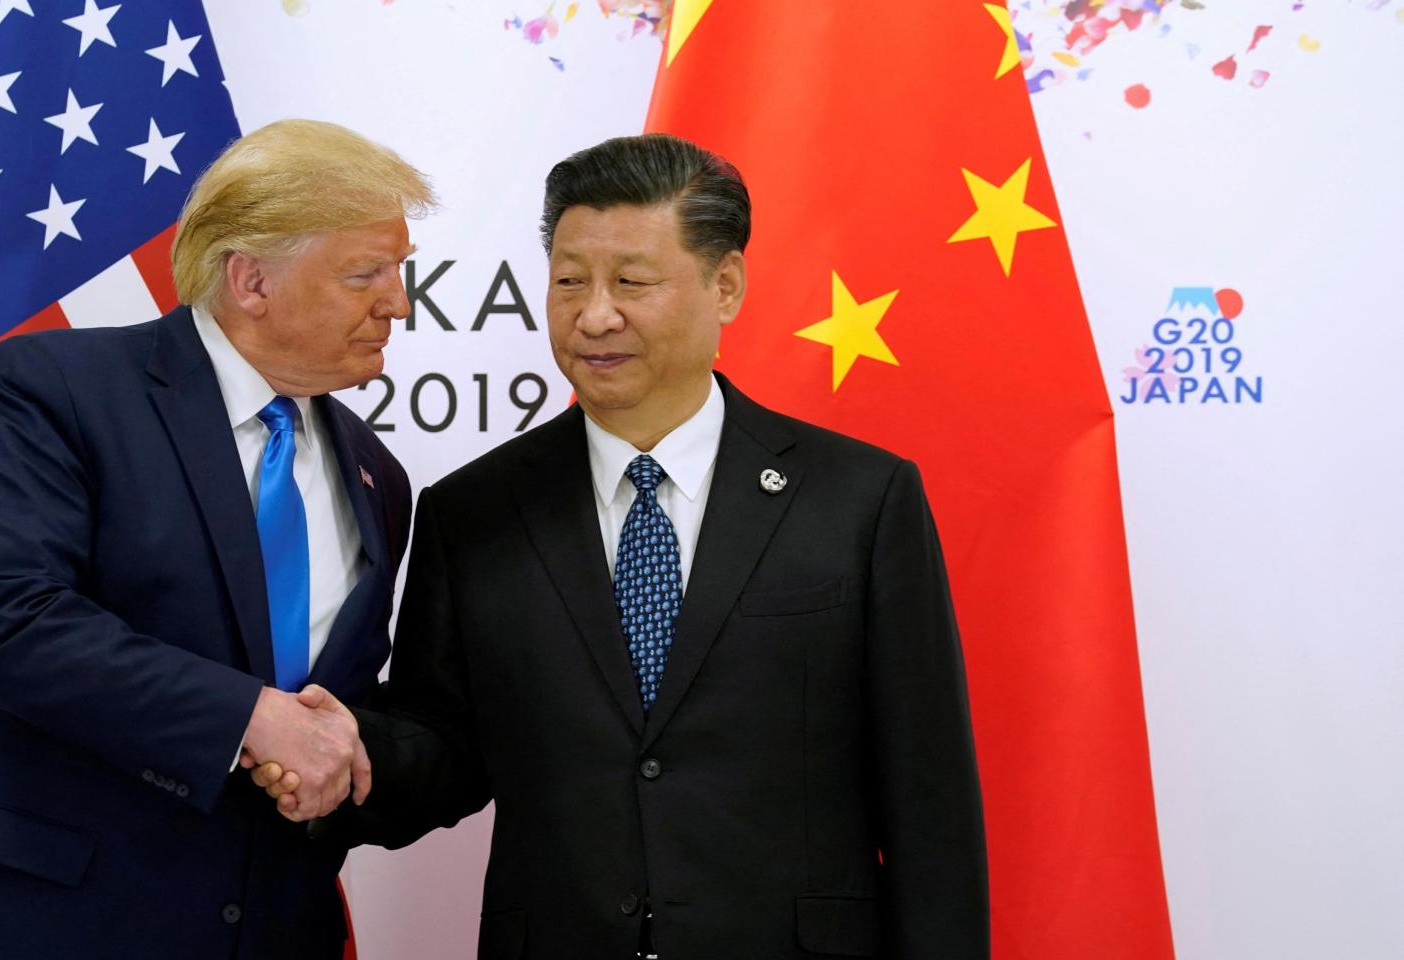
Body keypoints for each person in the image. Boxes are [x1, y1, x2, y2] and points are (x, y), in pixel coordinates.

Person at [264, 134, 989, 959]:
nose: (594, 314)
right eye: (570, 281)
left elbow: (928, 801)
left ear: (726, 285)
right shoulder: (475, 512)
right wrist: (337, 755)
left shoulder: (860, 500)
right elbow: (446, 745)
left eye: (632, 282)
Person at [0, 119, 431, 960]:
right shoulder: (56, 390)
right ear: (250, 280)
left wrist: (342, 750)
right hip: (34, 924)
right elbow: (4, 622)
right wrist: (251, 718)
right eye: (367, 274)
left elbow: (331, 709)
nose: (398, 302)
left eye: (398, 272)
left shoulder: (375, 473)